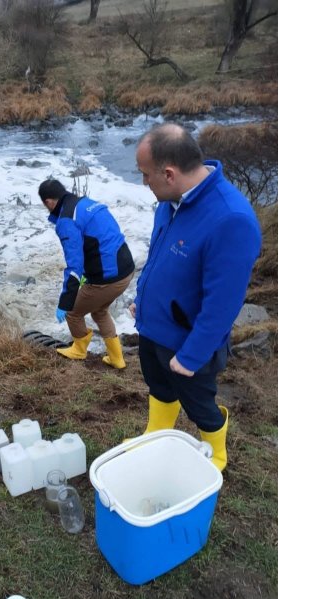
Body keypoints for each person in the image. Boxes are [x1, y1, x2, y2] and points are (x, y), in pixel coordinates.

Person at [128, 123, 262, 472]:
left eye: (146, 174)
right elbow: (159, 257)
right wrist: (142, 301)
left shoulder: (231, 219)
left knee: (199, 403)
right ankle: (156, 434)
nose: (144, 182)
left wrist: (192, 355)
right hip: (153, 327)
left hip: (188, 343)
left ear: (169, 174)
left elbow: (224, 303)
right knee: (159, 386)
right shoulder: (169, 201)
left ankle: (216, 454)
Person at [38, 179, 136, 369]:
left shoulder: (66, 221)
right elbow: (100, 239)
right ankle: (117, 358)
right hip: (126, 269)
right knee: (99, 311)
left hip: (108, 278)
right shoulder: (86, 203)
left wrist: (65, 302)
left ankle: (79, 350)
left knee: (73, 312)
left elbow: (73, 266)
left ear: (48, 202)